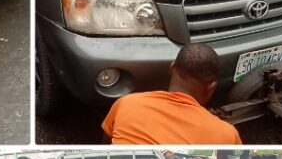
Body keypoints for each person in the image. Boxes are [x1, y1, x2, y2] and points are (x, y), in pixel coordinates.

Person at [102, 44, 242, 145]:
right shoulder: (227, 136)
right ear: (212, 87)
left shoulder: (127, 103)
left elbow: (106, 146)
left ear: (172, 68)